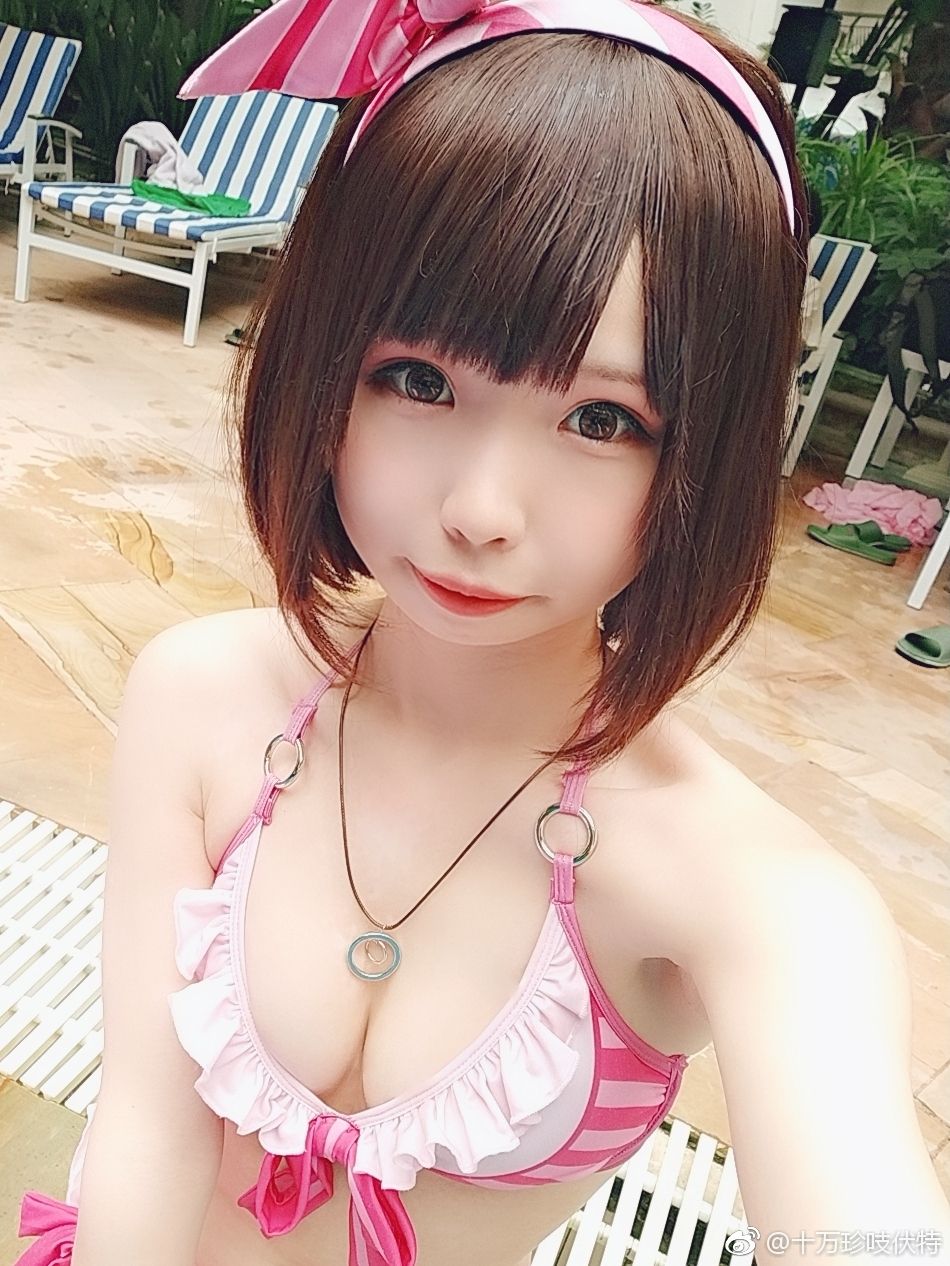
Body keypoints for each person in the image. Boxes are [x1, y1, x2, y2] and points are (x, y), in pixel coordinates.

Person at [15, 2, 950, 1264]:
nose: (480, 511)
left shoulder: (758, 898)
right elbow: (145, 1124)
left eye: (602, 421)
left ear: (706, 453)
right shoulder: (205, 696)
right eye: (418, 380)